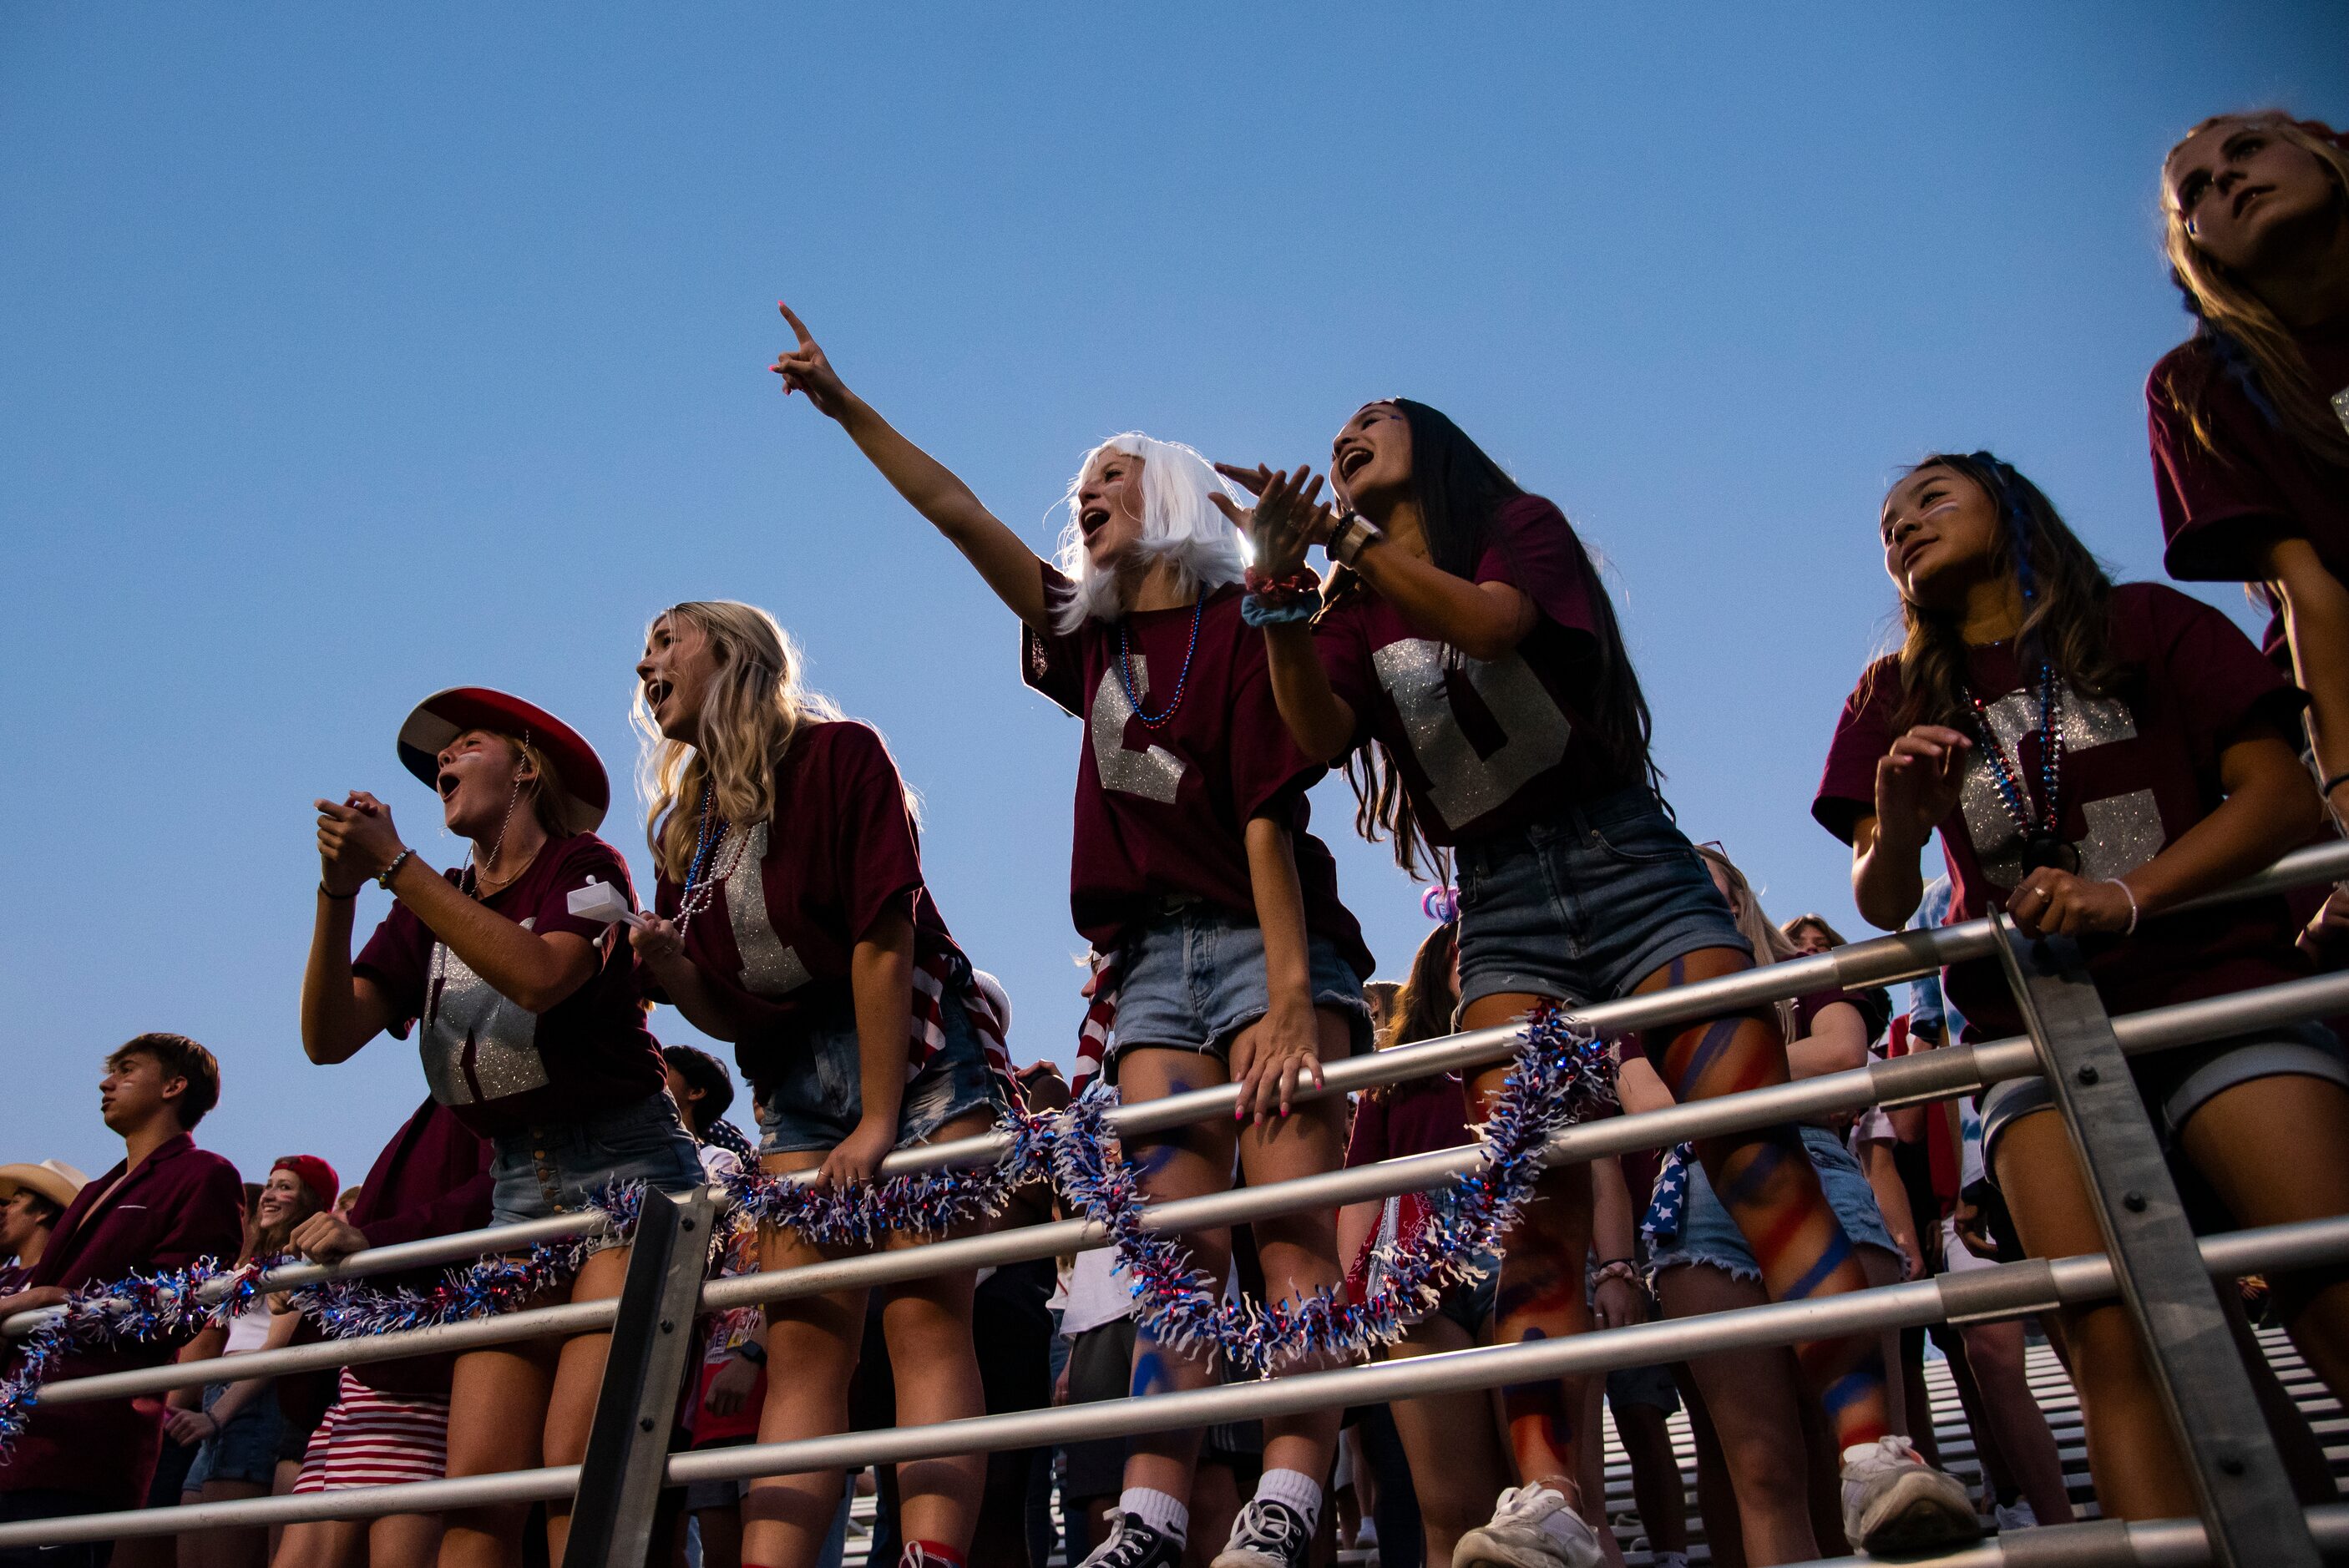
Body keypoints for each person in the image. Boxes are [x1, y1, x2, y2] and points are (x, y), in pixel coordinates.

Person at [1230, 400, 1975, 1562]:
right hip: (1503, 905)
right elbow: (1313, 729)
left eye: (1374, 417)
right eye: (1335, 430)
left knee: (1752, 1146)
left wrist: (1350, 542)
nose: (1347, 432)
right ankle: (1551, 1497)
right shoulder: (1350, 606)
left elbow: (1490, 625)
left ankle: (1878, 1452)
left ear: (1434, 440)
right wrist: (1280, 594)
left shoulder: (1516, 524)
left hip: (1628, 858)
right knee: (1527, 1202)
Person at [772, 305, 1373, 1568]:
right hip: (1151, 964)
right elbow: (956, 510)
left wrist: (1279, 996)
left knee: (1292, 1219)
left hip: (1278, 943)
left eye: (1113, 474)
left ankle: (1289, 1487)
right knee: (1175, 1240)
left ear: (1172, 496)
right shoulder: (1086, 639)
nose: (1086, 493)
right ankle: (1154, 1508)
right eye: (1079, 483)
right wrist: (844, 405)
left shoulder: (1250, 626)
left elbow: (1268, 819)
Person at [1814, 448, 2349, 1520]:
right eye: (1884, 524)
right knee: (2116, 1344)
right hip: (2035, 1036)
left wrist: (2132, 894)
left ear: (2010, 510)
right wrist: (1900, 825)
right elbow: (1879, 897)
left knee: (2322, 1275)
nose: (1900, 528)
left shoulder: (2145, 623)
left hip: (2214, 988)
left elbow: (2283, 798)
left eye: (1928, 500)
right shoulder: (1891, 694)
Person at [630, 598, 1017, 1568]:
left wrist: (880, 1116)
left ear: (733, 650)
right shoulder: (688, 823)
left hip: (918, 1057)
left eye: (665, 641)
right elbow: (728, 1012)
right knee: (803, 1342)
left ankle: (930, 1556)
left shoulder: (841, 755)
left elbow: (881, 937)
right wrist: (675, 974)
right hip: (793, 1086)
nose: (645, 664)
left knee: (926, 1319)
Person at [301, 685, 703, 1568]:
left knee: (575, 1462)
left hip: (631, 1173)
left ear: (525, 765)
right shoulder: (428, 902)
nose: (440, 763)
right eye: (434, 760)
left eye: (463, 745)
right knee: (478, 1482)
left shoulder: (584, 866)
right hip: (518, 1188)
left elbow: (538, 977)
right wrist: (338, 897)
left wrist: (395, 866)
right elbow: (328, 1039)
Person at [1617, 846, 1903, 1565]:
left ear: (1739, 904)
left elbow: (1842, 1058)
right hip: (1698, 1202)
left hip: (1824, 1178)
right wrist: (1769, 1070)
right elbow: (1644, 1100)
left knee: (1873, 1461)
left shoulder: (1802, 979)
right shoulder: (1638, 1009)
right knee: (1762, 1468)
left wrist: (1702, 1080)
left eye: (1704, 894)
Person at [2145, 114, 2349, 795]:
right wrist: (2344, 786)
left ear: (2326, 161)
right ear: (2197, 252)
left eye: (2248, 149)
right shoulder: (2194, 391)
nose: (2226, 176)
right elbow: (2308, 589)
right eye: (2196, 189)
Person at [0, 1035, 245, 1568]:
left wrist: (62, 1309)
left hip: (81, 1443)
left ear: (174, 1086)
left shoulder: (206, 1175)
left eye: (127, 1069)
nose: (106, 1082)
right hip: (17, 1433)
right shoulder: (94, 1192)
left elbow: (183, 1307)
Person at [1333, 922, 1511, 1568]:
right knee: (1449, 1509)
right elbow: (1360, 1191)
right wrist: (1354, 1307)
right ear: (1437, 968)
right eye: (1462, 948)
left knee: (1540, 1497)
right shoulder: (1397, 1073)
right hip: (1412, 1264)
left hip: (1514, 1240)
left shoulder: (1530, 1045)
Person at [273, 1100, 494, 1568]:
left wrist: (376, 1241)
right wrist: (314, 1285)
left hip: (416, 1376)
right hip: (357, 1385)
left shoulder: (485, 1085)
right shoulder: (441, 1098)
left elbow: (498, 1191)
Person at [172, 1157, 336, 1568]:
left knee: (226, 1552)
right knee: (192, 1551)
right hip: (222, 1398)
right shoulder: (257, 1263)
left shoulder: (300, 1262)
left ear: (311, 1202)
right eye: (269, 1184)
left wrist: (218, 1416)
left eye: (285, 1187)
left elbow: (276, 1350)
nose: (269, 1195)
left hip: (252, 1403)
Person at [0, 1162, 85, 1292]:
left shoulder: (62, 1279)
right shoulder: (5, 1276)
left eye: (15, 1201)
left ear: (43, 1211)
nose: (4, 1210)